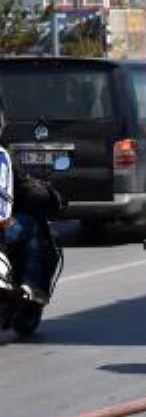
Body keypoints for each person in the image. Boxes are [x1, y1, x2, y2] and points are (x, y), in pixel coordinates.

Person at [0, 97, 66, 304]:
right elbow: (26, 188)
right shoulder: (2, 156)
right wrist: (50, 196)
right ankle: (32, 286)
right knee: (32, 225)